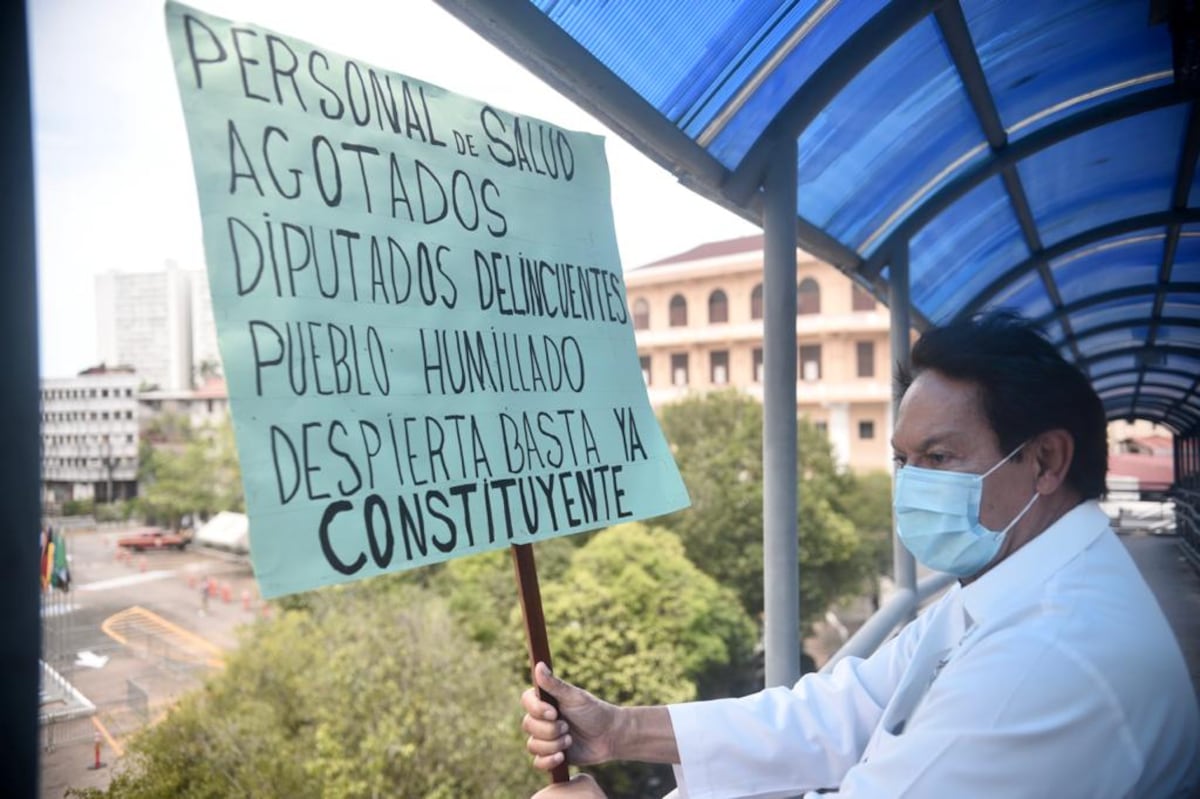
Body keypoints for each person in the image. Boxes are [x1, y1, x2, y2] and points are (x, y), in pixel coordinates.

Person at [522, 313, 1200, 798]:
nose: (911, 485)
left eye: (938, 457)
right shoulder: (1009, 586)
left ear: (1046, 459)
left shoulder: (1051, 657)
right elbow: (844, 710)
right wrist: (620, 730)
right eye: (903, 460)